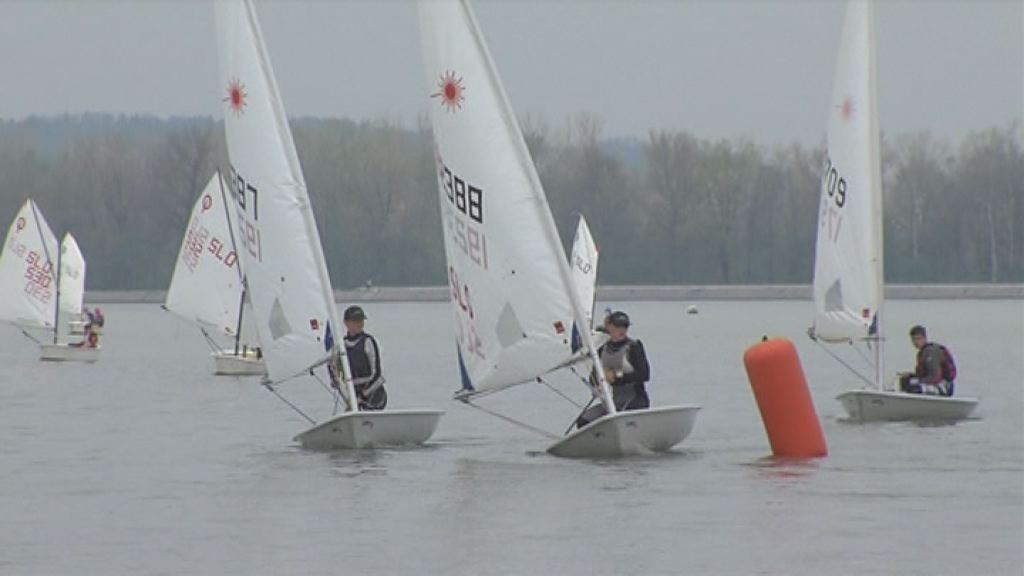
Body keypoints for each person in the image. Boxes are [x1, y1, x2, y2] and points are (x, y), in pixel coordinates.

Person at [576, 310, 651, 428]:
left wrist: (617, 376)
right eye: (618, 326)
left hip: (636, 401)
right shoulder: (602, 349)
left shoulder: (634, 347)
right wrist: (598, 381)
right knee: (583, 421)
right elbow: (593, 378)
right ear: (609, 326)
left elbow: (644, 375)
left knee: (622, 418)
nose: (622, 330)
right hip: (614, 402)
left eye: (625, 326)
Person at [340, 305, 387, 410]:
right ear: (346, 323)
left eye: (361, 320)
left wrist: (362, 395)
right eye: (356, 321)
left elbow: (379, 375)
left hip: (373, 395)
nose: (360, 323)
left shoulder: (368, 341)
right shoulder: (341, 345)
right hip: (353, 394)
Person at [898, 325, 955, 396]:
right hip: (932, 383)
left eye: (918, 339)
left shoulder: (930, 352)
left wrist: (918, 381)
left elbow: (935, 377)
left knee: (914, 388)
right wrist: (912, 376)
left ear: (924, 338)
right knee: (905, 380)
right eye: (913, 339)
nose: (916, 342)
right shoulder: (922, 352)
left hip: (942, 386)